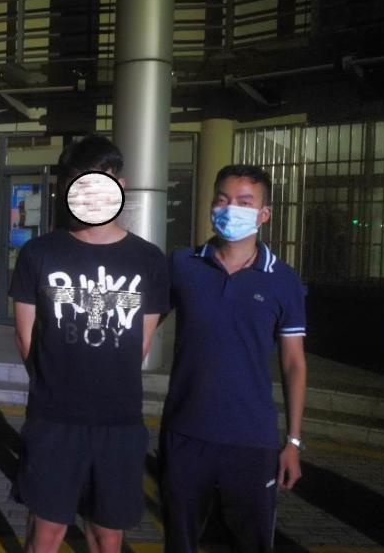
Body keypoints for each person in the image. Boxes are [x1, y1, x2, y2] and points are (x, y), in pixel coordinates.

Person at [9, 135, 170, 553]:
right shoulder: (38, 253)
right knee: (45, 534)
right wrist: (55, 383)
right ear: (65, 188)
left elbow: (140, 342)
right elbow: (26, 336)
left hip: (119, 421)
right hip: (53, 420)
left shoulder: (149, 259)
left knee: (106, 537)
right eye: (78, 181)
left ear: (121, 184)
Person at [160, 164, 308, 553]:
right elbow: (138, 330)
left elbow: (294, 363)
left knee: (251, 544)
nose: (231, 209)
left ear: (264, 214)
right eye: (223, 199)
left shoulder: (283, 280)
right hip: (184, 434)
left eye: (244, 202)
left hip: (251, 441)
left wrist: (293, 441)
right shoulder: (181, 265)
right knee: (179, 543)